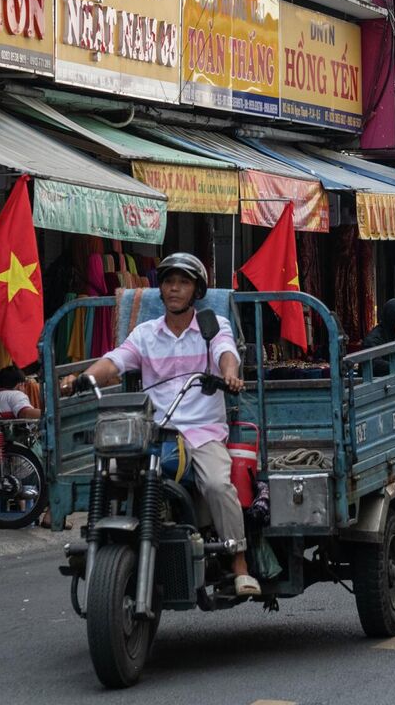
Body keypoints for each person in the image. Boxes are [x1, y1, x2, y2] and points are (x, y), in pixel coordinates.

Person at [60, 253, 258, 597]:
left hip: (201, 431)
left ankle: (238, 562)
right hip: (153, 433)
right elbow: (115, 361)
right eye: (168, 282)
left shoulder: (213, 327)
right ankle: (106, 544)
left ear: (196, 290)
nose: (174, 289)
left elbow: (228, 353)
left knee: (215, 484)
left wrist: (229, 375)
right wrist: (84, 377)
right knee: (111, 476)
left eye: (182, 282)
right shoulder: (146, 333)